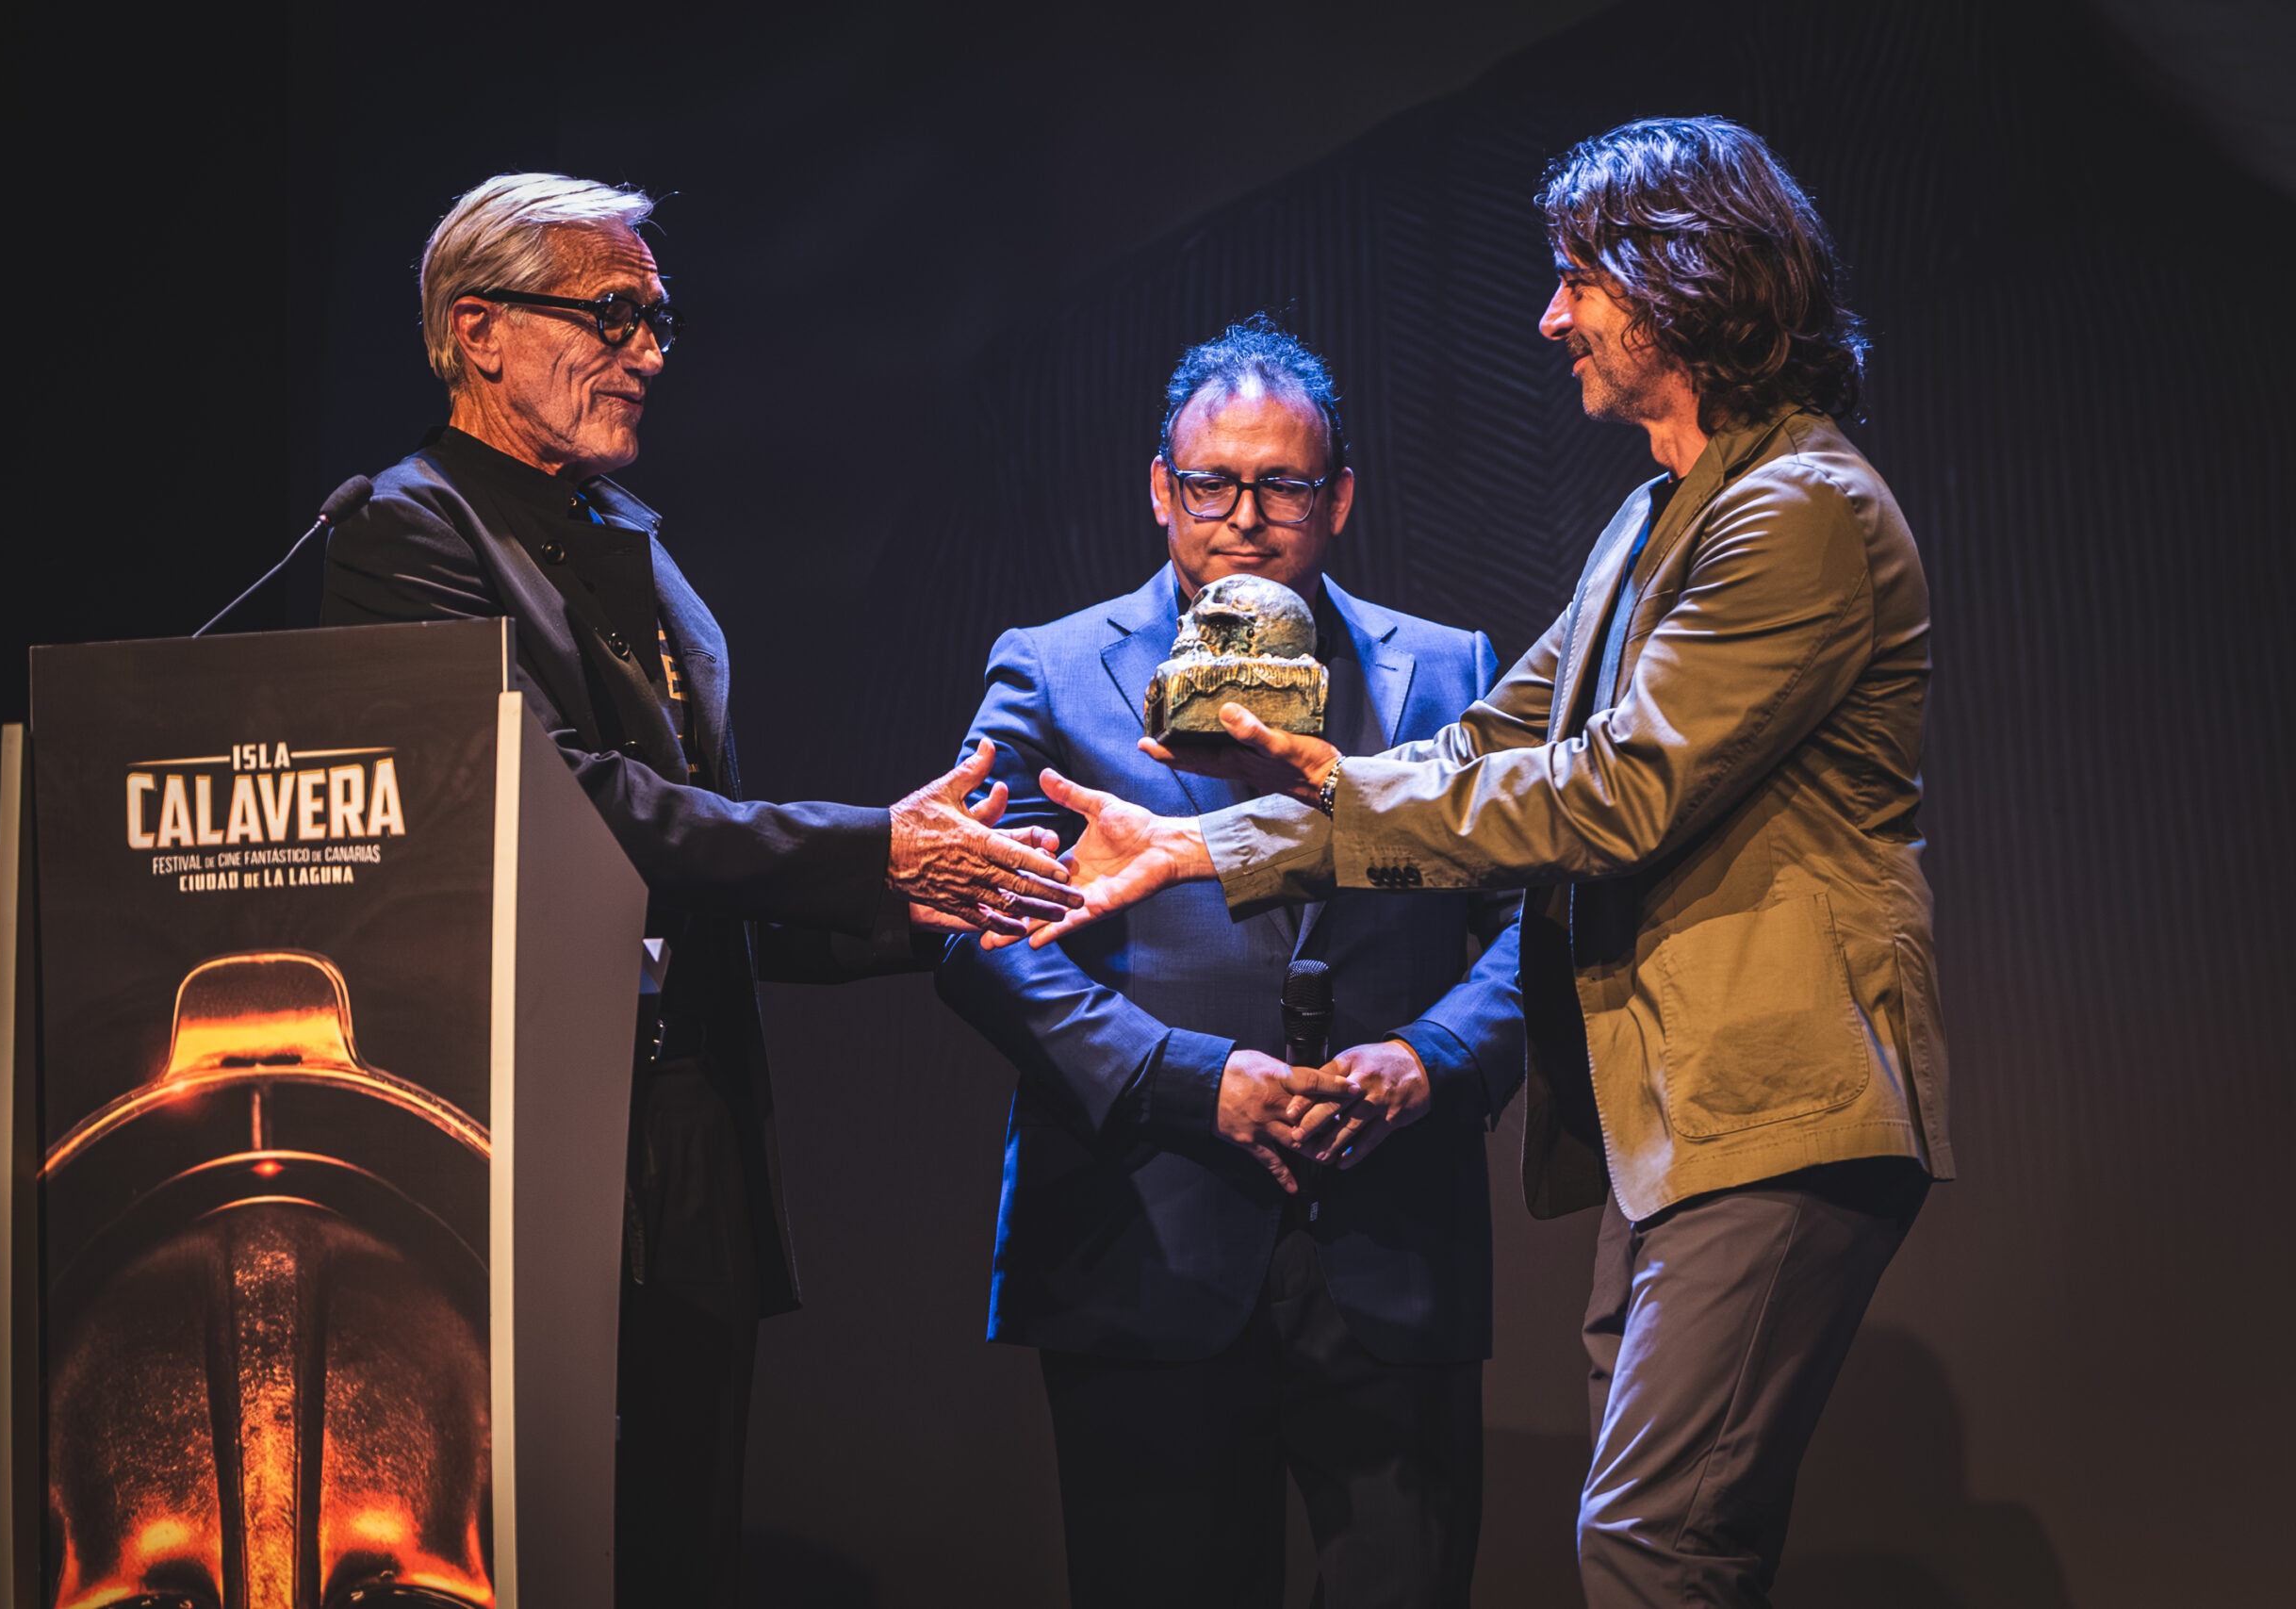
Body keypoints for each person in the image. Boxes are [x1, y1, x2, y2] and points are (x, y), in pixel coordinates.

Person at [1006, 119, 1951, 1606]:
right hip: (1670, 1122)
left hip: (1771, 1103)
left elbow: (1612, 795)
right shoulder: (1657, 514)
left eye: (1578, 278)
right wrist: (1198, 842)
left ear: (1680, 282)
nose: (1551, 314)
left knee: (1654, 1546)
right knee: (1659, 1542)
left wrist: (1294, 807)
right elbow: (1486, 749)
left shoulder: (1796, 511)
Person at [319, 172, 1078, 1607]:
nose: (651, 353)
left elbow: (692, 864)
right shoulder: (405, 539)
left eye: (659, 320)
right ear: (478, 330)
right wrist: (870, 845)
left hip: (686, 1150)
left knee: (676, 1548)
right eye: (614, 316)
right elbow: (568, 810)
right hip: (513, 1152)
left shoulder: (630, 546)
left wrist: (926, 903)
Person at [936, 317, 1525, 1608]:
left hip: (1391, 1236)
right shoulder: (1051, 670)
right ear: (1161, 488)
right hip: (1144, 1235)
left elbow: (1541, 923)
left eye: (1283, 486)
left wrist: (1431, 1060)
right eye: (1212, 484)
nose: (1244, 517)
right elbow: (977, 927)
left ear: (1341, 497)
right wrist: (1189, 1079)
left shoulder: (1448, 673)